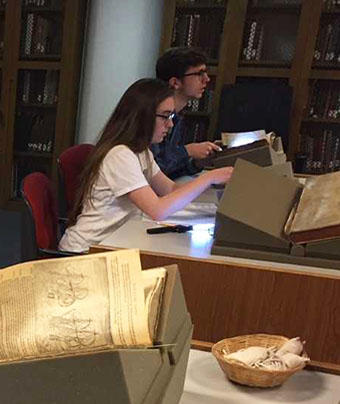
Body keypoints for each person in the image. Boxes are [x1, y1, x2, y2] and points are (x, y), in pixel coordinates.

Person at [58, 78, 233, 254]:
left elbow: (171, 189)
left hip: (111, 244)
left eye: (171, 116)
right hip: (85, 251)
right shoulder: (120, 155)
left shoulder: (141, 152)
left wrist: (215, 195)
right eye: (165, 116)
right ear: (143, 116)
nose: (170, 124)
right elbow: (157, 210)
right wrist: (209, 178)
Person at [150, 46, 221, 179]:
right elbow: (153, 169)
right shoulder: (154, 117)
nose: (207, 79)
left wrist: (197, 163)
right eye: (199, 74)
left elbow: (169, 172)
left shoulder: (177, 117)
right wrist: (188, 151)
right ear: (175, 82)